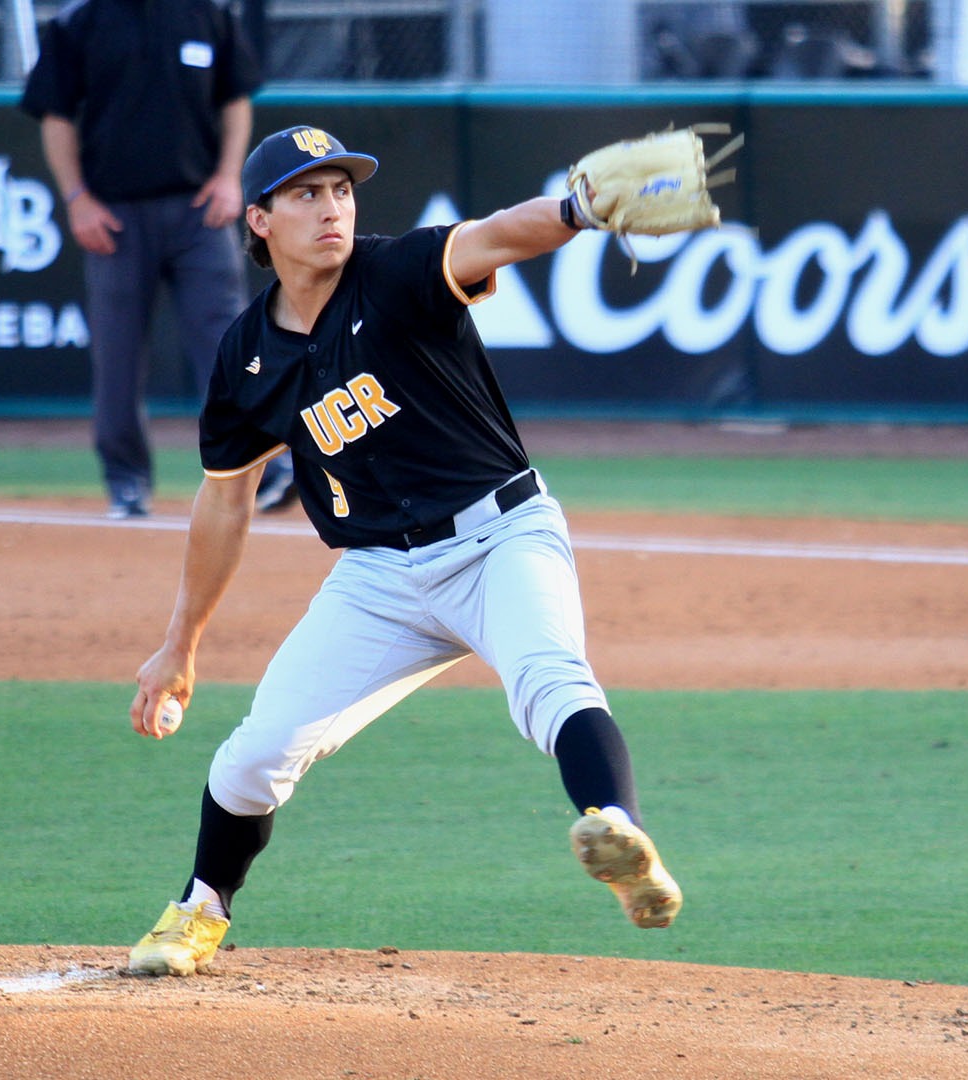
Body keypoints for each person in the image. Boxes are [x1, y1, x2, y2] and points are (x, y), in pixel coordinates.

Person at [123, 124, 684, 976]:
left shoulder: (396, 272)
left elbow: (497, 233)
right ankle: (201, 907)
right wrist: (180, 645)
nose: (332, 208)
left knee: (550, 680)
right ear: (260, 220)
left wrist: (575, 210)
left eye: (342, 190)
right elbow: (225, 501)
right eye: (307, 193)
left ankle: (618, 829)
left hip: (501, 536)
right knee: (259, 749)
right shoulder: (245, 356)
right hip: (380, 577)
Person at [18, 0, 292, 518]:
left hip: (199, 210)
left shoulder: (206, 13)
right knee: (117, 354)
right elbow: (56, 115)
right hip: (115, 214)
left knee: (231, 345)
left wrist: (230, 176)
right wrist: (76, 198)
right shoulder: (80, 20)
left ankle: (265, 467)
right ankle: (126, 481)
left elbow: (234, 99)